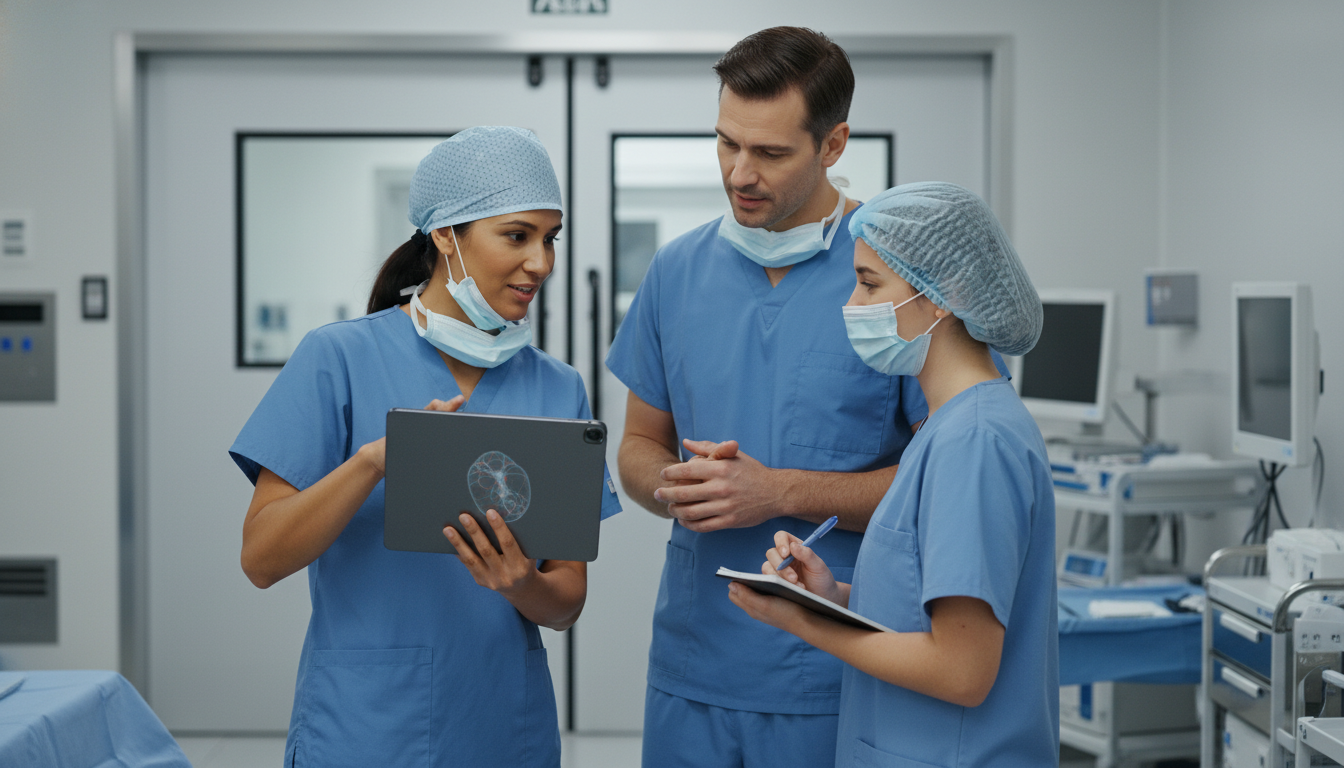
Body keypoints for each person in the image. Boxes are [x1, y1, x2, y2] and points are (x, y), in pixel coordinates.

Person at [606, 28, 963, 767]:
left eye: (770, 153)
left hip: (837, 661)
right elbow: (637, 447)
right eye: (726, 143)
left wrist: (777, 491)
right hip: (694, 663)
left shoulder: (891, 278)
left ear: (833, 145)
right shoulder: (676, 272)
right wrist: (676, 487)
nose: (740, 173)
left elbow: (945, 482)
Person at [229, 126, 620, 768]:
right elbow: (261, 558)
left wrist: (521, 584)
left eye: (550, 239)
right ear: (446, 235)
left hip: (501, 724)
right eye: (517, 236)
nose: (542, 263)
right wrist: (375, 461)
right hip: (367, 726)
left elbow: (566, 601)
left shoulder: (557, 389)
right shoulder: (339, 358)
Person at [728, 182, 1058, 767]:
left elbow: (962, 671)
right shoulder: (946, 429)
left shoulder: (975, 441)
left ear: (942, 296)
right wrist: (834, 597)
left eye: (871, 283)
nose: (853, 304)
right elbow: (933, 611)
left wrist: (806, 623)